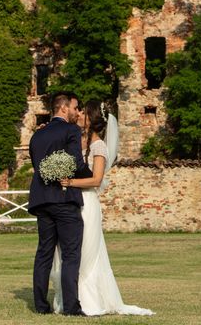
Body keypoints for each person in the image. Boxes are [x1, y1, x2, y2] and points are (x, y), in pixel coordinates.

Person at [51, 100, 155, 316]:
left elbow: (96, 180)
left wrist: (69, 182)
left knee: (86, 252)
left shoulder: (98, 146)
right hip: (69, 202)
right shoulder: (75, 140)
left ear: (92, 118)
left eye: (83, 112)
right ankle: (69, 298)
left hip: (87, 203)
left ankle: (88, 300)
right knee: (68, 251)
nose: (79, 113)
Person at [28, 91, 93, 316]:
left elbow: (38, 165)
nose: (77, 112)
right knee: (71, 253)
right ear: (64, 108)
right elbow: (76, 161)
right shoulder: (71, 130)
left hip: (41, 199)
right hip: (64, 198)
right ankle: (72, 307)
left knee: (44, 252)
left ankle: (40, 306)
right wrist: (91, 177)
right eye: (75, 108)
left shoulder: (37, 135)